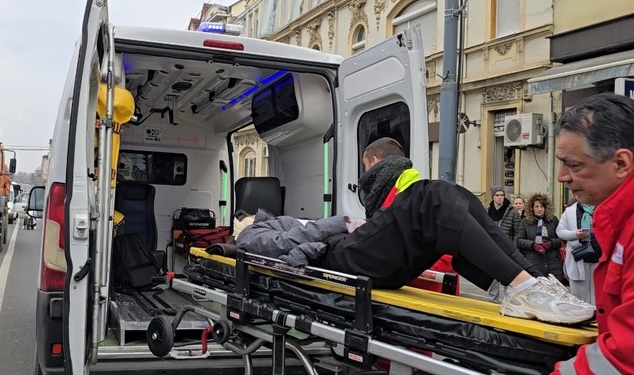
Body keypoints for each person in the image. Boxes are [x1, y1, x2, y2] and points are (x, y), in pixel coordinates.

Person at [239, 138, 595, 324]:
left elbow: (301, 233)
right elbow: (285, 247)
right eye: (247, 218)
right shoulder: (250, 236)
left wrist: (332, 225)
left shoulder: (274, 221)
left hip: (351, 249)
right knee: (432, 194)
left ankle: (528, 282)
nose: (249, 217)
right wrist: (338, 223)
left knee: (452, 193)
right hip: (340, 256)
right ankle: (524, 288)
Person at [551, 93, 634, 374]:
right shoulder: (619, 219)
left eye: (574, 165)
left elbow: (626, 354)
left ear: (621, 163)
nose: (562, 176)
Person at [514, 193, 566, 284]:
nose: (539, 209)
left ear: (545, 208)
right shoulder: (525, 222)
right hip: (533, 261)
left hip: (552, 261)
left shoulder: (553, 220)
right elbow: (519, 240)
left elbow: (561, 238)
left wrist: (550, 243)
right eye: (536, 206)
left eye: (542, 206)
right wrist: (533, 245)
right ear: (532, 208)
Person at [556, 199, 599, 304]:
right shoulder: (570, 211)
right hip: (579, 256)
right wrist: (575, 234)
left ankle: (596, 318)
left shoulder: (601, 207)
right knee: (579, 297)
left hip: (599, 256)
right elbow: (560, 231)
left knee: (597, 294)